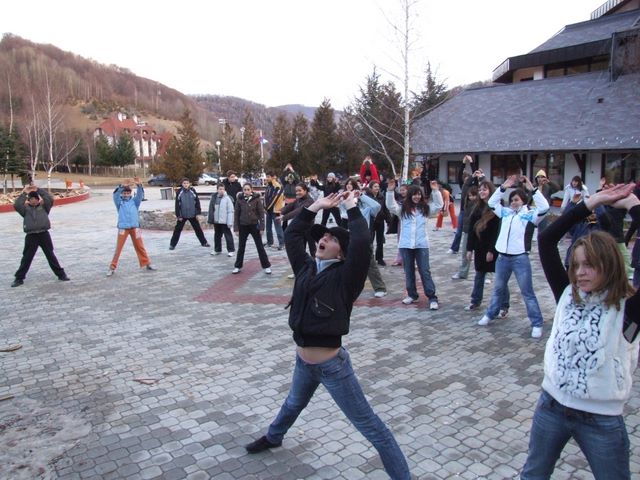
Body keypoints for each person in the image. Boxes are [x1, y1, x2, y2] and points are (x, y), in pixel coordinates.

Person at [244, 191, 411, 480]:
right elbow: (293, 235)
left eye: (332, 239)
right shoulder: (306, 268)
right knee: (293, 403)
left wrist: (352, 208)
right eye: (323, 236)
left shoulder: (347, 278)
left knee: (371, 426)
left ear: (342, 253)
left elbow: (361, 243)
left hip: (333, 368)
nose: (324, 239)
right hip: (303, 362)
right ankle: (274, 437)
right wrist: (316, 206)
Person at [521, 183, 640, 479]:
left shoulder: (628, 308)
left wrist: (633, 206)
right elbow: (546, 239)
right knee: (533, 474)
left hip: (601, 418)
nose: (579, 273)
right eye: (576, 265)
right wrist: (591, 202)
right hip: (551, 405)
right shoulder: (567, 293)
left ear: (609, 265)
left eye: (589, 265)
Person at [477, 175, 548, 337]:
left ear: (523, 201)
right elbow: (492, 203)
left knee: (527, 292)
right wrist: (503, 187)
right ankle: (490, 314)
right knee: (498, 289)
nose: (513, 202)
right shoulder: (506, 213)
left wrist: (533, 189)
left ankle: (536, 323)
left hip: (520, 258)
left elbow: (544, 207)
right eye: (512, 200)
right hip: (502, 257)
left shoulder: (530, 215)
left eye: (516, 200)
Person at [386, 179, 442, 310]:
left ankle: (432, 297)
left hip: (421, 245)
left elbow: (438, 205)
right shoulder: (403, 210)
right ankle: (412, 294)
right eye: (414, 194)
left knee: (425, 271)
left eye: (419, 194)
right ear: (410, 195)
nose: (417, 197)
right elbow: (391, 206)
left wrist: (435, 191)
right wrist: (390, 191)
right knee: (408, 271)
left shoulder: (425, 209)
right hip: (406, 245)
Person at [465, 180, 510, 313]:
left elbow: (496, 232)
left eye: (484, 189)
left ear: (490, 191)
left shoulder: (497, 209)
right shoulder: (476, 208)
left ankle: (504, 305)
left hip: (493, 248)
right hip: (479, 247)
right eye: (480, 190)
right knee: (479, 275)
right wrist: (469, 249)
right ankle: (475, 301)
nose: (481, 192)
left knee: (500, 278)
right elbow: (471, 231)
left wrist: (492, 250)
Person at [12, 184, 70, 287]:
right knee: (27, 258)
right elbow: (17, 205)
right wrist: (25, 193)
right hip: (31, 236)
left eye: (35, 198)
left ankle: (61, 275)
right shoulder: (25, 210)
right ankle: (19, 278)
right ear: (28, 200)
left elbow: (49, 199)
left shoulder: (44, 207)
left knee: (50, 255)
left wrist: (38, 189)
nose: (33, 200)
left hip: (44, 234)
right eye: (31, 199)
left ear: (38, 199)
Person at [107, 181, 156, 276]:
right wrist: (121, 186)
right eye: (124, 193)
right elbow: (115, 195)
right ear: (122, 193)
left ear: (130, 193)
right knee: (118, 248)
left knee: (140, 246)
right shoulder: (119, 202)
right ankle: (112, 267)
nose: (126, 195)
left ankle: (147, 263)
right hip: (123, 228)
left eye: (128, 193)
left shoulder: (135, 201)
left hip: (135, 227)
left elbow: (140, 195)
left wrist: (139, 185)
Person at [233, 183, 272, 274]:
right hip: (243, 225)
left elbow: (261, 214)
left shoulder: (256, 199)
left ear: (251, 190)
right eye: (245, 190)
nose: (246, 191)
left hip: (254, 225)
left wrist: (262, 227)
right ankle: (237, 266)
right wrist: (236, 228)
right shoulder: (239, 199)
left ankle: (266, 266)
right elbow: (236, 214)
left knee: (260, 246)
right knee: (241, 247)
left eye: (248, 189)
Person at [169, 178, 210, 250]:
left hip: (192, 214)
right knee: (177, 230)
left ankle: (204, 242)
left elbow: (197, 202)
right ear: (182, 184)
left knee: (198, 229)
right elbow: (177, 205)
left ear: (189, 184)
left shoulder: (192, 191)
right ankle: (172, 245)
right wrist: (179, 215)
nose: (186, 185)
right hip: (183, 215)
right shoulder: (179, 192)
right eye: (184, 183)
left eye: (187, 183)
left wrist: (197, 213)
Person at [448, 155, 474, 254]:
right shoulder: (463, 186)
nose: (466, 181)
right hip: (463, 211)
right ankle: (454, 248)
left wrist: (471, 162)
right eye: (465, 179)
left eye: (468, 179)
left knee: (472, 232)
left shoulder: (474, 187)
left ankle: (471, 249)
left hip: (472, 211)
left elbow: (475, 173)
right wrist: (463, 163)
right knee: (459, 231)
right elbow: (459, 175)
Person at [207, 183, 235, 257]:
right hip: (217, 221)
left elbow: (230, 211)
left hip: (225, 221)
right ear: (217, 190)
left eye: (223, 189)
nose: (221, 190)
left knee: (228, 236)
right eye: (220, 189)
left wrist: (229, 221)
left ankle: (231, 250)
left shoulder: (227, 199)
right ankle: (217, 249)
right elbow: (211, 209)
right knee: (217, 236)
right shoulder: (214, 198)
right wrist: (210, 219)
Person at [366, 180, 390, 266]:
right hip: (371, 221)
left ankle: (380, 258)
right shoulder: (367, 197)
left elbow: (385, 209)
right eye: (375, 186)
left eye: (378, 186)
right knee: (370, 240)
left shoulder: (382, 197)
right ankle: (369, 258)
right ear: (371, 188)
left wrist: (388, 220)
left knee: (380, 241)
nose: (377, 188)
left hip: (380, 221)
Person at [263, 172, 285, 250]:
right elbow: (265, 197)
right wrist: (264, 207)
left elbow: (274, 198)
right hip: (269, 210)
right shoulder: (268, 186)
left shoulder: (277, 186)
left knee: (278, 227)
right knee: (268, 227)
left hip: (276, 210)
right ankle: (270, 242)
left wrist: (267, 207)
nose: (267, 178)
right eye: (266, 176)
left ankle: (282, 243)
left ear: (273, 177)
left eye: (268, 177)